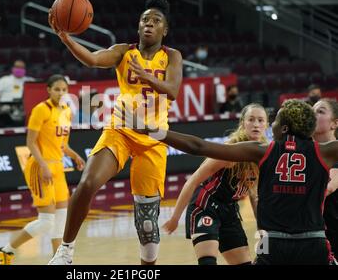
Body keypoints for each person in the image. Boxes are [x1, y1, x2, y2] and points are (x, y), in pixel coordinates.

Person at [48, 0, 183, 265]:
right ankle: (65, 251)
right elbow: (92, 60)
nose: (149, 24)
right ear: (138, 26)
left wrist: (146, 76)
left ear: (164, 30)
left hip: (153, 139)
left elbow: (173, 91)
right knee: (87, 184)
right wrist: (66, 39)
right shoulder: (124, 51)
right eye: (145, 19)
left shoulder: (172, 56)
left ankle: (147, 266)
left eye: (156, 21)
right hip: (120, 130)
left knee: (147, 226)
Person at [135, 99, 338, 264]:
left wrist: (151, 130)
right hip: (312, 241)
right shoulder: (326, 152)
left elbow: (198, 146)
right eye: (253, 120)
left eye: (271, 121)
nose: (266, 125)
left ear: (283, 128)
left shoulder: (262, 151)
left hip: (274, 244)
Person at [0, 75, 86, 265]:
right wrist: (43, 165)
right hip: (39, 166)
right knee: (46, 221)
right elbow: (30, 142)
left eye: (64, 90)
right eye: (57, 89)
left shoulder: (67, 111)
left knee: (61, 221)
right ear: (48, 90)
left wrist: (75, 156)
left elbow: (63, 145)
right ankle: (5, 251)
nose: (61, 93)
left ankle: (57, 261)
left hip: (58, 166)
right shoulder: (41, 110)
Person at [162, 103, 268, 265]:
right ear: (242, 124)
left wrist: (262, 232)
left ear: (266, 125)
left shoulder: (264, 155)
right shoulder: (229, 151)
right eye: (251, 119)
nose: (256, 124)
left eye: (261, 120)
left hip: (229, 210)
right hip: (205, 206)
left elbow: (255, 196)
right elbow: (193, 180)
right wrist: (175, 218)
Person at [312, 98, 338, 259]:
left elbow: (328, 187)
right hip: (312, 233)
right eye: (312, 110)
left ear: (334, 123)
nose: (313, 115)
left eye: (320, 111)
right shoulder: (305, 151)